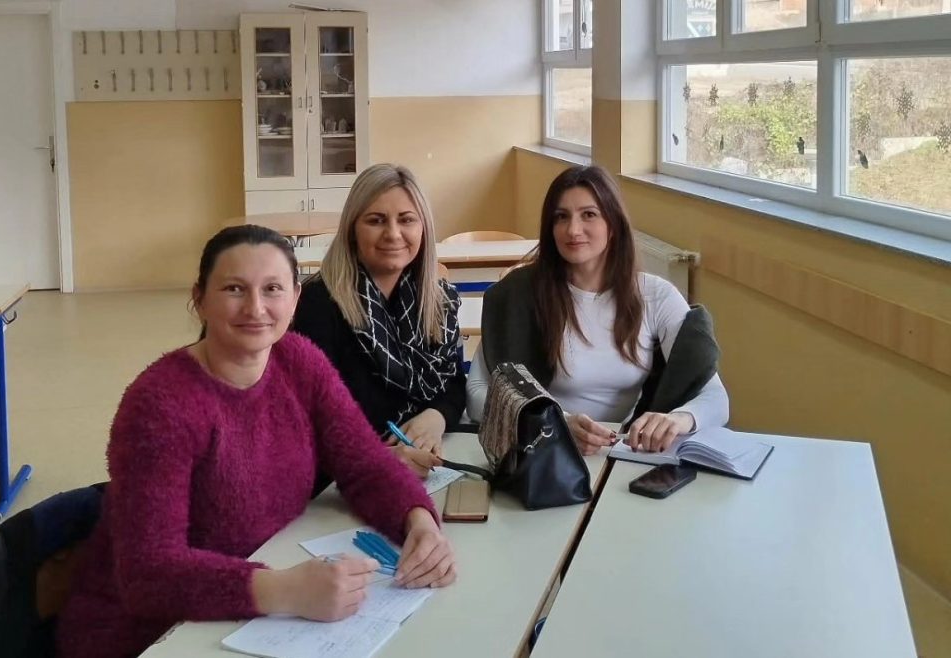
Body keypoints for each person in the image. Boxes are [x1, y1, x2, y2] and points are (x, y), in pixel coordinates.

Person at [57, 225, 455, 658]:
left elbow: (365, 463)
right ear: (199, 299)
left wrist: (419, 523)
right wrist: (285, 590)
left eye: (272, 289)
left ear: (295, 299)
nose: (256, 308)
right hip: (149, 634)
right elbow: (147, 574)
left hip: (258, 606)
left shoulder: (300, 361)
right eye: (234, 289)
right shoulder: (159, 403)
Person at [466, 166, 728, 455]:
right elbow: (477, 394)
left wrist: (679, 419)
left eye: (589, 214)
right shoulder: (517, 294)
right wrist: (553, 423)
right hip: (541, 451)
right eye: (561, 217)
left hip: (617, 452)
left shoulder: (656, 296)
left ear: (613, 224)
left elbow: (716, 399)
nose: (573, 230)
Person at [293, 164, 466, 478]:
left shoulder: (438, 300)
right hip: (347, 478)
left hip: (425, 467)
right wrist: (381, 459)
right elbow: (314, 420)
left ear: (423, 228)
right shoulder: (318, 304)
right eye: (376, 220)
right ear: (352, 229)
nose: (393, 234)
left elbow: (454, 384)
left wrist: (436, 417)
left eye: (407, 220)